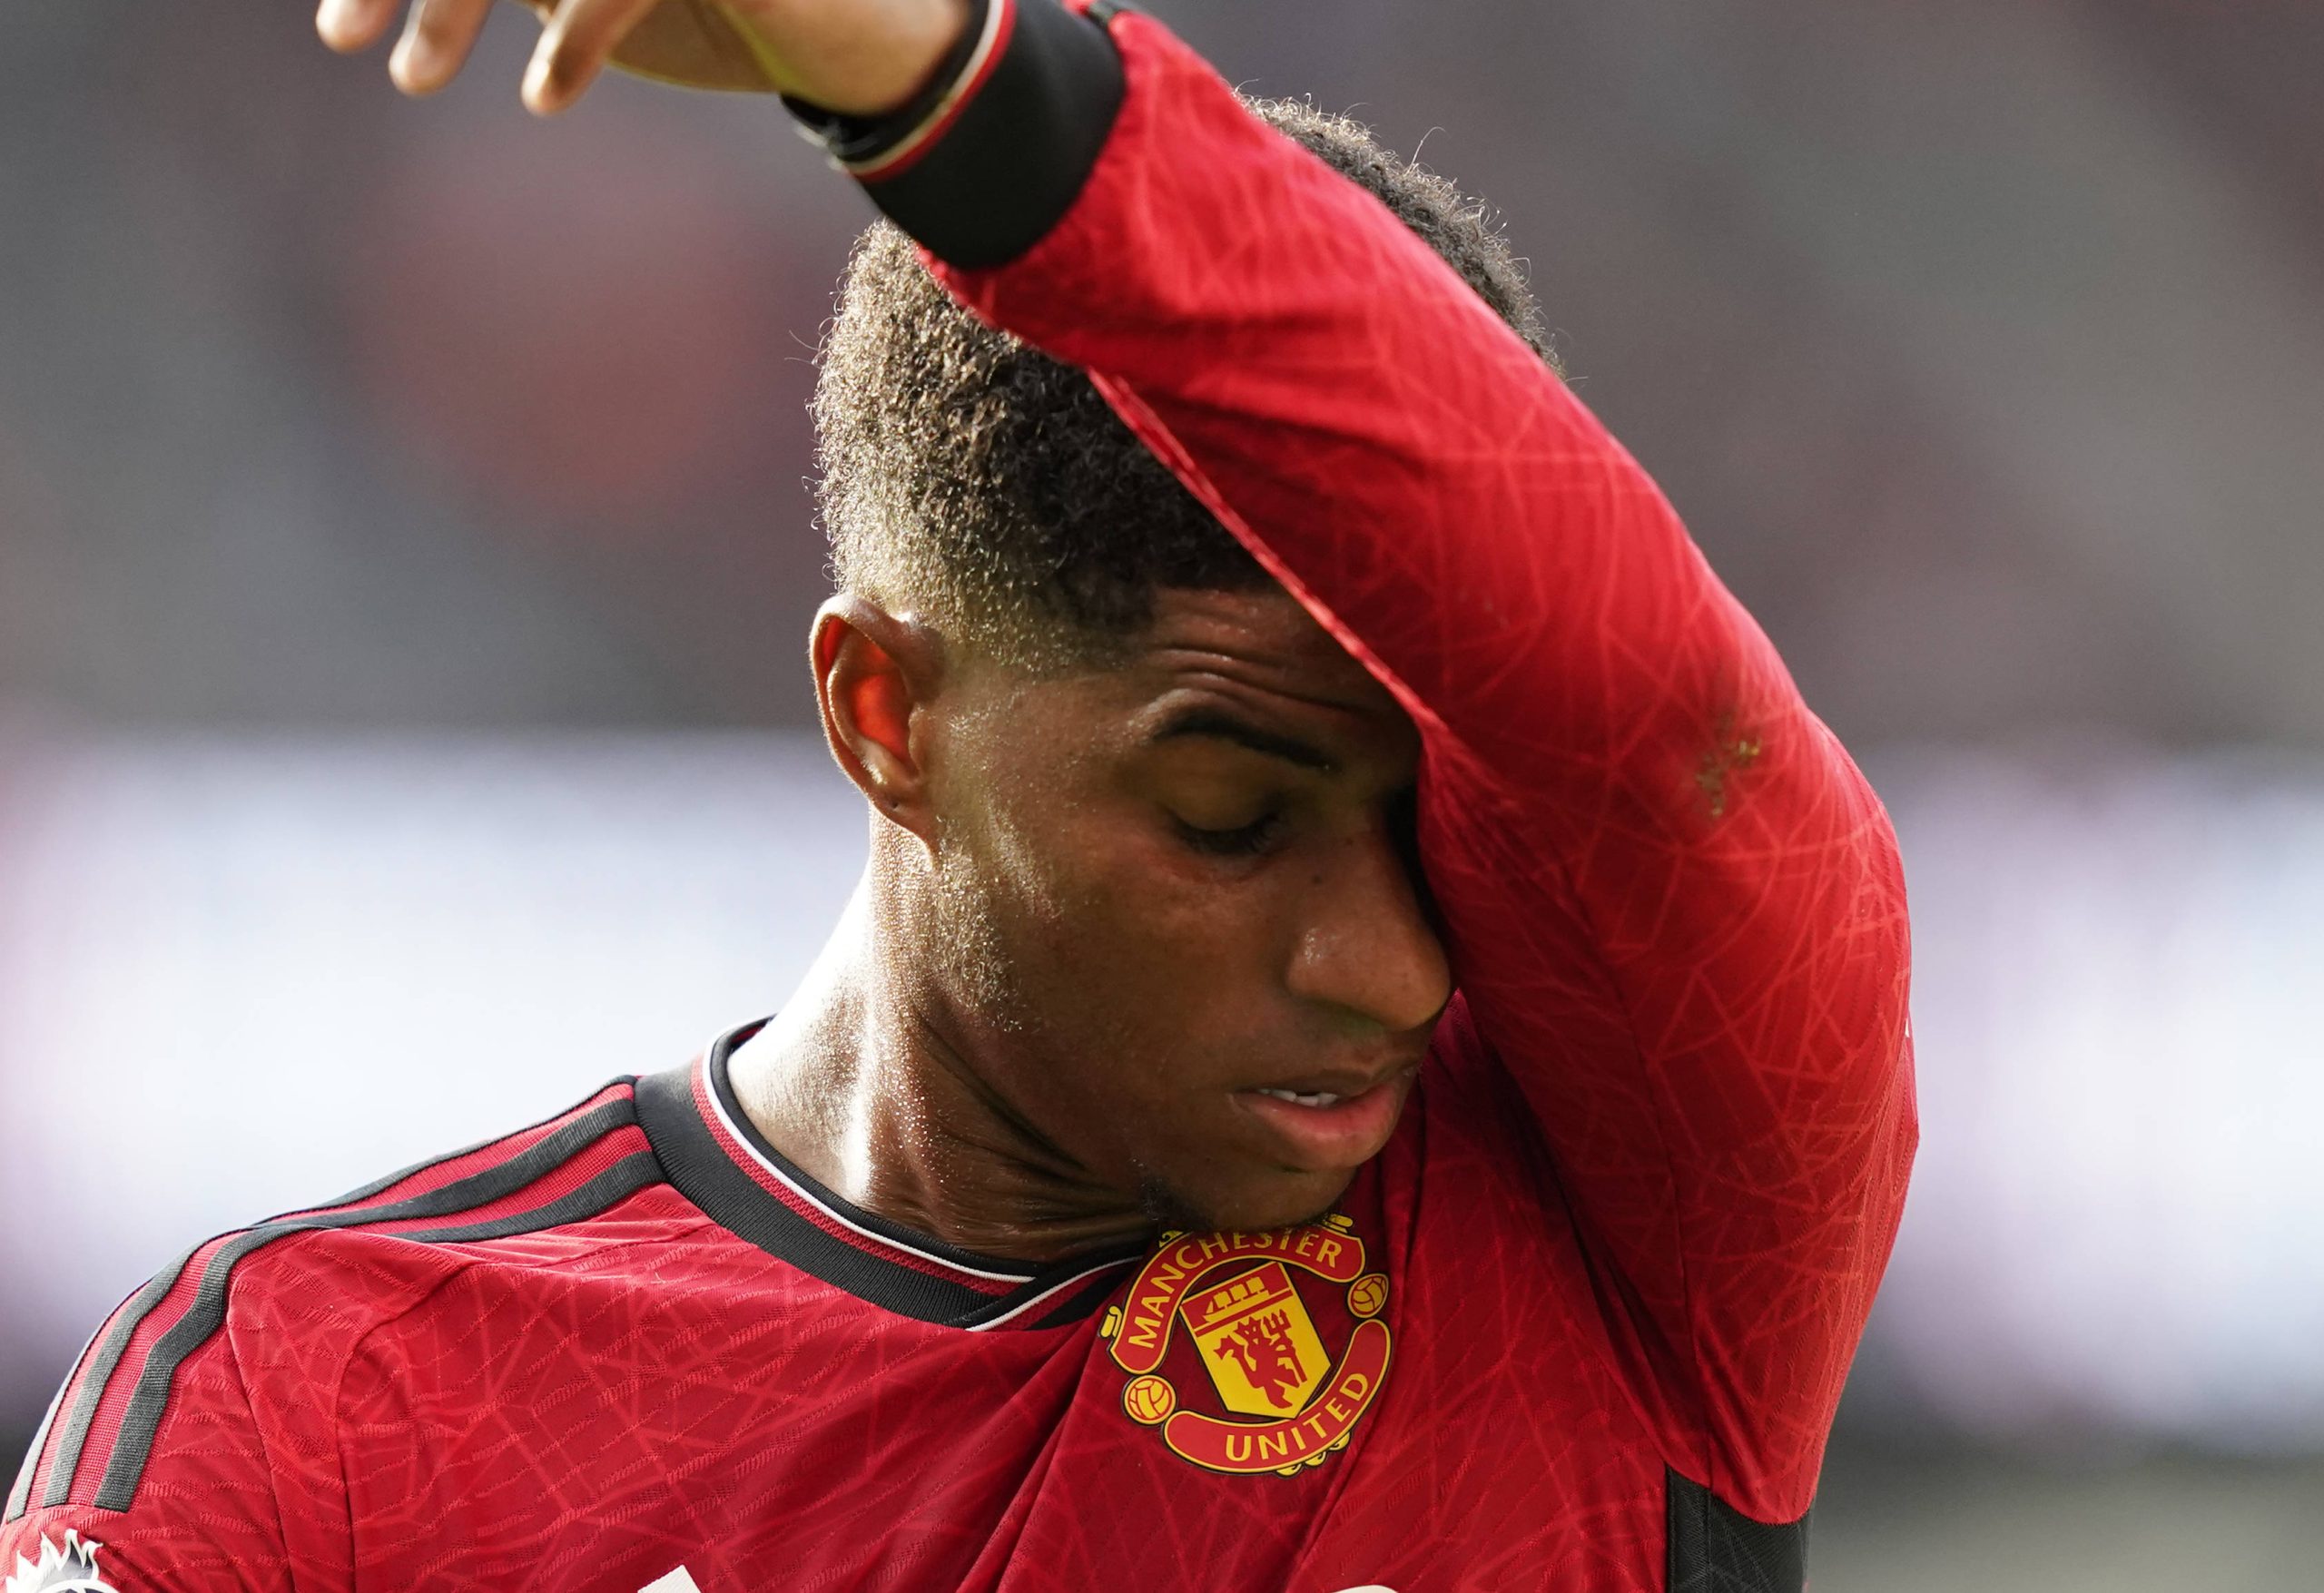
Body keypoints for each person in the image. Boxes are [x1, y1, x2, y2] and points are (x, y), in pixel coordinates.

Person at [0, 0, 1916, 1588]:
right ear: (885, 712)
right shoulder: (318, 1419)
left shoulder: (1649, 1206)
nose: (1389, 965)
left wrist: (962, 80)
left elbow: (1647, 707)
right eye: (1229, 818)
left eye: (1441, 830)